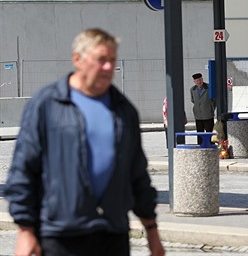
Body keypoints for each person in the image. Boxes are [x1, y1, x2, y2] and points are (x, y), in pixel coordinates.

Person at [4, 28, 164, 256]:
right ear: (77, 59)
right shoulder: (48, 105)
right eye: (101, 60)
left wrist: (152, 230)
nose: (109, 67)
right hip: (60, 235)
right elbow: (23, 170)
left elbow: (137, 175)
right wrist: (25, 230)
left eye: (112, 60)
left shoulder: (123, 110)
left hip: (112, 234)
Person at [190, 72, 215, 144]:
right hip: (198, 115)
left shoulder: (209, 87)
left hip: (208, 114)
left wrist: (210, 108)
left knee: (209, 132)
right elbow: (193, 100)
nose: (199, 82)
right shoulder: (193, 89)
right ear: (194, 81)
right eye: (197, 81)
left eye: (200, 80)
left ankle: (210, 146)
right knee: (200, 133)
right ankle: (200, 146)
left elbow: (214, 100)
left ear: (202, 79)